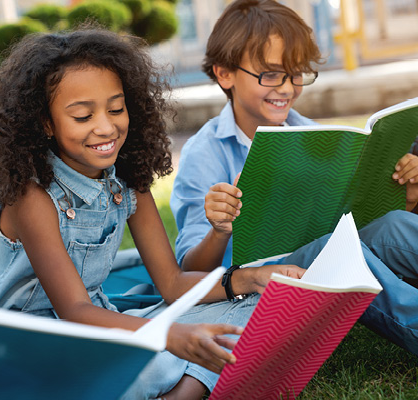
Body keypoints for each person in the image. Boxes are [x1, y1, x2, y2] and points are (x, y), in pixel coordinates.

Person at [0, 26, 305, 399]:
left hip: (108, 329)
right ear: (45, 122)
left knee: (253, 306)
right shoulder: (31, 195)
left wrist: (250, 279)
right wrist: (168, 336)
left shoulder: (127, 179)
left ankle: (179, 388)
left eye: (116, 109)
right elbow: (74, 310)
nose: (106, 127)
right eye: (82, 117)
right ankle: (184, 386)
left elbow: (172, 283)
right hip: (32, 347)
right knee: (162, 352)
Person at [171, 0, 418, 354]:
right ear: (225, 74)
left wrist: (405, 196)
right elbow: (190, 271)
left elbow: (355, 219)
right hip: (253, 285)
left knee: (394, 224)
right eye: (270, 74)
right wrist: (219, 228)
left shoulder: (314, 134)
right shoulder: (205, 153)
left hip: (318, 259)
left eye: (296, 73)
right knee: (338, 252)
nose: (287, 88)